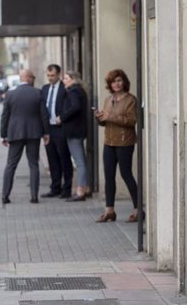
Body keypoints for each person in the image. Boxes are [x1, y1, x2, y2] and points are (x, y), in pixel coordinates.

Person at [94, 68, 139, 223]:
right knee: (108, 176)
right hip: (109, 142)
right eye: (113, 81)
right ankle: (109, 211)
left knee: (126, 174)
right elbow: (105, 122)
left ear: (124, 82)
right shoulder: (108, 99)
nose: (116, 84)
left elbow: (131, 121)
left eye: (119, 80)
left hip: (124, 141)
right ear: (110, 84)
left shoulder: (131, 99)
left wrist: (110, 116)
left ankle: (138, 209)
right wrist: (99, 118)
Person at [0, 69, 50, 204]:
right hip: (34, 133)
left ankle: (5, 195)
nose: (33, 79)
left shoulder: (10, 95)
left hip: (15, 133)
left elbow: (5, 116)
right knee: (34, 164)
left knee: (11, 164)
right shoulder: (37, 93)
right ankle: (34, 196)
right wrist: (46, 133)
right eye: (32, 77)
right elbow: (43, 115)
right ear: (27, 78)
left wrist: (3, 135)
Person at [41, 64, 73, 199]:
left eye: (52, 75)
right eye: (48, 76)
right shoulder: (44, 89)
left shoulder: (65, 89)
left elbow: (70, 106)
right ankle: (55, 188)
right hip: (48, 129)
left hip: (61, 128)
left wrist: (63, 118)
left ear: (59, 74)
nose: (50, 78)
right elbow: (41, 110)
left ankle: (67, 189)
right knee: (52, 159)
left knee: (64, 159)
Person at [57, 71, 90, 202]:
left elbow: (75, 107)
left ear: (73, 79)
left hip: (74, 131)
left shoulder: (74, 92)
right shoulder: (77, 91)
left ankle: (80, 190)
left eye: (66, 78)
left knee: (79, 162)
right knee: (81, 160)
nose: (63, 80)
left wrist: (62, 117)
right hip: (77, 130)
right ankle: (85, 187)